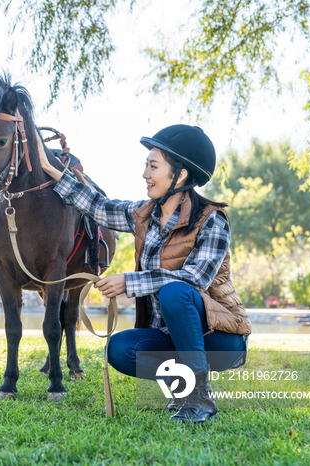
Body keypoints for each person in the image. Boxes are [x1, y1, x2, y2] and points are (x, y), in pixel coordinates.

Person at [36, 124, 251, 424]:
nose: (145, 174)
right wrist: (54, 171)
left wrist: (128, 282)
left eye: (153, 166)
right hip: (169, 336)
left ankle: (199, 399)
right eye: (146, 165)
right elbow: (98, 206)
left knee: (175, 293)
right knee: (121, 349)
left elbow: (194, 280)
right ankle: (183, 389)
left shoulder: (213, 221)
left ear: (181, 174)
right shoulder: (143, 214)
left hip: (221, 340)